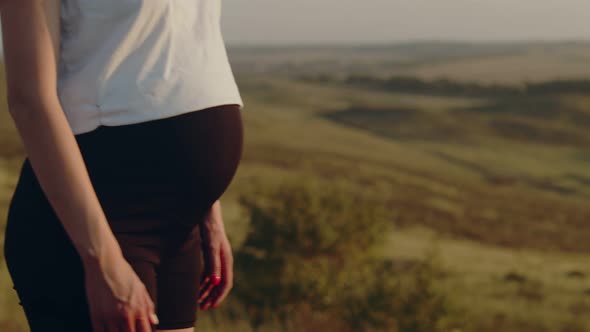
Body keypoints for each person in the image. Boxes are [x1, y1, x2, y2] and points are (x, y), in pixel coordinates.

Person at [0, 0, 244, 331]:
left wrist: (206, 213)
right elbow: (29, 100)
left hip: (178, 226)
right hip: (100, 222)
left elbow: (177, 48)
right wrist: (102, 262)